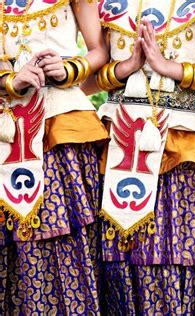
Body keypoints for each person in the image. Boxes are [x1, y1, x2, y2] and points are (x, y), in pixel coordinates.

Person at [93, 0, 195, 314]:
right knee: (120, 253)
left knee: (176, 247)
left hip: (181, 140)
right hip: (119, 138)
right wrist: (126, 67)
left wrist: (169, 68)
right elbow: (88, 81)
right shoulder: (110, 5)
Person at [0, 0, 108, 314]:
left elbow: (99, 49)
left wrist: (69, 67)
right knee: (13, 243)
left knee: (69, 237)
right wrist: (11, 80)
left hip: (61, 121)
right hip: (8, 126)